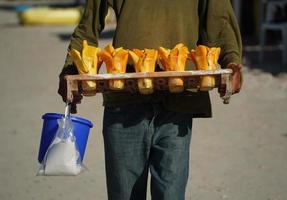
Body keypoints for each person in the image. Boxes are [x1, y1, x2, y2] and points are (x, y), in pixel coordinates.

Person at [58, 0, 243, 199]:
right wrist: (70, 70)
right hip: (125, 103)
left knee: (170, 195)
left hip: (178, 104)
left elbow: (219, 19)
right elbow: (88, 27)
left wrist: (231, 60)